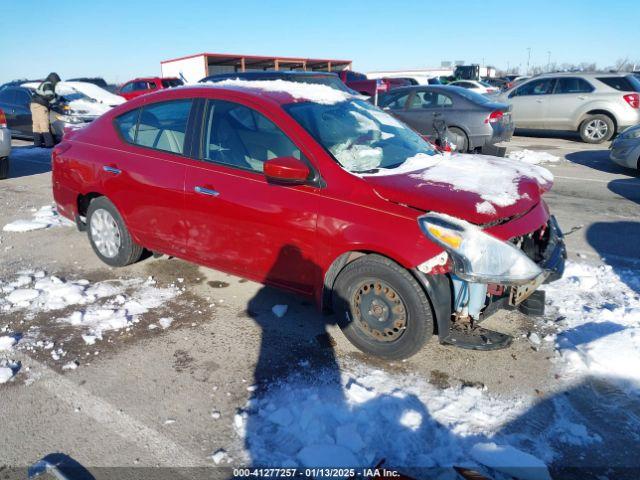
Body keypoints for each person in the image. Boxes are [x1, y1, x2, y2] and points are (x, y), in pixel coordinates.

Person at [30, 72, 60, 148]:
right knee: (44, 124)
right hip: (40, 105)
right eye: (56, 82)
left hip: (33, 104)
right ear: (54, 80)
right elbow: (50, 96)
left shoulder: (44, 83)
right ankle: (49, 144)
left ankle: (37, 144)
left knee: (36, 125)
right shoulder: (48, 84)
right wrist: (56, 104)